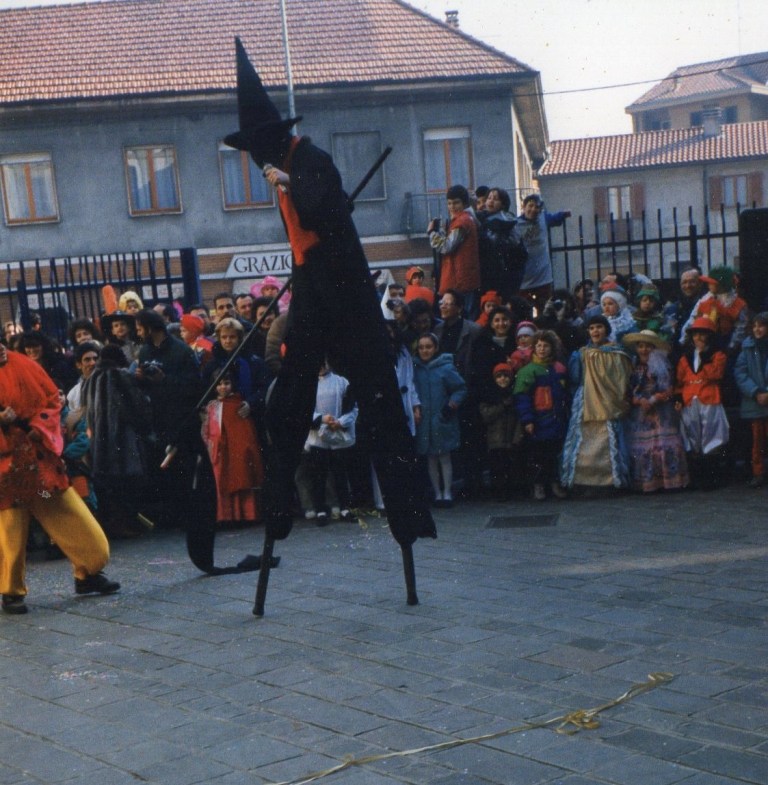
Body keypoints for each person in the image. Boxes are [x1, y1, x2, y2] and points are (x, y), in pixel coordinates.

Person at [223, 38, 436, 555]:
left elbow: (327, 211)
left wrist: (289, 183)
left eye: (257, 152)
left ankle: (408, 517)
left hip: (345, 293)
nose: (255, 162)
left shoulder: (310, 161)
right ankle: (280, 513)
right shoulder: (286, 170)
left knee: (379, 396)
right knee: (289, 403)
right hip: (314, 288)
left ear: (273, 142)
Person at [0, 342, 119, 615]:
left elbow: (52, 401)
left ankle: (88, 573)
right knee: (10, 531)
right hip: (7, 481)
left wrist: (39, 428)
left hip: (41, 477)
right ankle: (10, 592)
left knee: (69, 515)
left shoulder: (25, 365)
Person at [560, 315, 633, 492]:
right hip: (586, 400)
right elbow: (576, 378)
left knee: (608, 439)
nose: (595, 331)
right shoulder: (581, 353)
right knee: (585, 441)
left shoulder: (616, 352)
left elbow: (622, 378)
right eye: (592, 328)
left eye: (599, 327)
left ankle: (611, 481)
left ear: (606, 329)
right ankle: (584, 481)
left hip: (609, 401)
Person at [622, 330, 689, 493]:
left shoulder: (660, 363)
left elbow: (668, 389)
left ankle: (668, 481)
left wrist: (652, 400)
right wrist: (639, 401)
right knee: (644, 445)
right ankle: (647, 481)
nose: (644, 350)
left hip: (660, 409)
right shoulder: (635, 366)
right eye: (640, 346)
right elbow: (629, 390)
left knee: (662, 443)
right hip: (641, 411)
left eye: (647, 346)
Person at [202, 370, 264, 527]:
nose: (223, 387)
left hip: (236, 450)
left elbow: (244, 432)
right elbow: (207, 430)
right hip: (218, 451)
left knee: (240, 476)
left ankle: (245, 515)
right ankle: (225, 516)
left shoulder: (238, 405)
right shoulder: (211, 406)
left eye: (227, 383)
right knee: (220, 480)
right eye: (219, 384)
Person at [513, 330, 570, 500]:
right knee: (538, 454)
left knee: (554, 453)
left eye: (546, 346)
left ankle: (554, 483)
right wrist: (527, 419)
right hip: (538, 419)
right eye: (539, 345)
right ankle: (538, 484)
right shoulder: (528, 371)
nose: (542, 349)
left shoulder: (559, 368)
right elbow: (522, 398)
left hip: (557, 418)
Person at [413, 333, 467, 508]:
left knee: (444, 456)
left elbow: (460, 388)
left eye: (428, 347)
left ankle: (447, 492)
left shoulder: (445, 368)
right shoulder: (416, 368)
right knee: (430, 457)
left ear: (435, 348)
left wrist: (451, 406)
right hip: (424, 420)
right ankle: (437, 492)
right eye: (421, 347)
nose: (425, 351)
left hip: (441, 417)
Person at [675, 317, 730, 488]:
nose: (698, 338)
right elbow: (679, 380)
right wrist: (678, 398)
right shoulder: (685, 358)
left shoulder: (717, 355)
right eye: (696, 334)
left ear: (709, 337)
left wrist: (705, 357)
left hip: (709, 400)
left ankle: (711, 478)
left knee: (712, 437)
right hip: (690, 400)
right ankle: (696, 477)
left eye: (702, 335)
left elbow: (716, 374)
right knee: (692, 437)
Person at [303, 362, 359, 525]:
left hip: (337, 433)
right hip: (317, 436)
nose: (321, 365)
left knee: (340, 473)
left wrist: (341, 422)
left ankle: (345, 507)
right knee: (318, 475)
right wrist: (320, 419)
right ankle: (320, 509)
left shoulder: (342, 382)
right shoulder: (308, 383)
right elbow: (303, 409)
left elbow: (353, 407)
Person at [428, 184, 481, 319]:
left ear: (464, 203)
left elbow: (446, 246)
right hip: (462, 280)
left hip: (461, 282)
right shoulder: (465, 219)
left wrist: (432, 233)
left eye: (456, 203)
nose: (452, 207)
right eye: (449, 203)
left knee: (461, 319)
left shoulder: (463, 220)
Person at [515, 194, 570, 314]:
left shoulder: (543, 219)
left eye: (537, 207)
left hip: (543, 276)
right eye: (530, 206)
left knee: (545, 310)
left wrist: (563, 214)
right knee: (524, 311)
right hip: (525, 278)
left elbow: (555, 218)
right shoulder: (516, 224)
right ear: (523, 207)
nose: (533, 209)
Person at [478, 363, 522, 500]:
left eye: (506, 376)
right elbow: (486, 415)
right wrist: (502, 406)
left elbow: (519, 418)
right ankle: (498, 491)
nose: (503, 379)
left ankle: (510, 491)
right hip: (495, 439)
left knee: (510, 466)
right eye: (499, 377)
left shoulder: (515, 395)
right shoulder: (489, 396)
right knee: (497, 467)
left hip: (510, 437)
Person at [734, 312, 768, 487]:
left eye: (761, 325)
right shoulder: (747, 348)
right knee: (756, 440)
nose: (757, 329)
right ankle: (758, 472)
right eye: (755, 326)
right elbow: (740, 373)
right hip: (754, 401)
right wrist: (755, 392)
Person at [476, 187, 527, 301]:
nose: (491, 201)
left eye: (495, 199)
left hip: (504, 271)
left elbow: (512, 242)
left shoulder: (508, 221)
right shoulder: (483, 218)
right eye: (489, 198)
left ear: (503, 204)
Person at [66, 341, 100, 411]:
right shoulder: (73, 394)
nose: (93, 363)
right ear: (78, 365)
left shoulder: (109, 384)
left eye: (95, 359)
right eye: (87, 360)